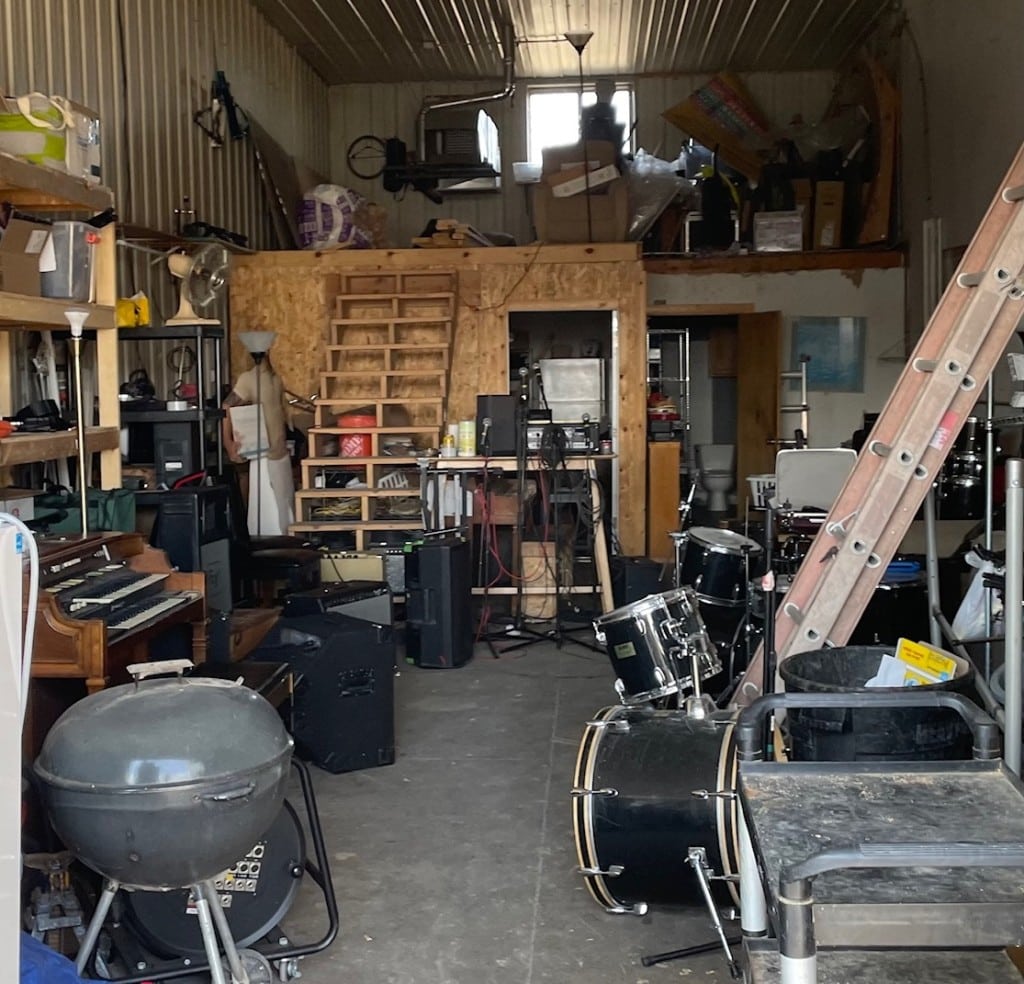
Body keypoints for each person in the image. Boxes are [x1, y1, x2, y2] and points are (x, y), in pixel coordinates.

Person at [222, 345, 294, 536]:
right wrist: (229, 444)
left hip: (281, 454)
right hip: (263, 456)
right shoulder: (248, 379)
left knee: (286, 514)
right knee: (268, 522)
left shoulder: (277, 379)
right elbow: (226, 406)